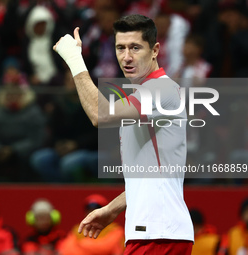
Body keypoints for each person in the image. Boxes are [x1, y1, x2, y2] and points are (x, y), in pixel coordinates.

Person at [53, 14, 194, 254]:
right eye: (120, 48)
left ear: (155, 50)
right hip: (155, 233)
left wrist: (75, 60)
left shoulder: (162, 89)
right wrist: (112, 208)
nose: (126, 57)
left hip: (159, 235)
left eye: (135, 47)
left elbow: (100, 116)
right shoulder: (145, 95)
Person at [59, 194, 124, 255]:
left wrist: (81, 244)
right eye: (89, 209)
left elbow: (107, 248)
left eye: (97, 208)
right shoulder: (78, 229)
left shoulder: (115, 229)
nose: (93, 212)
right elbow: (66, 250)